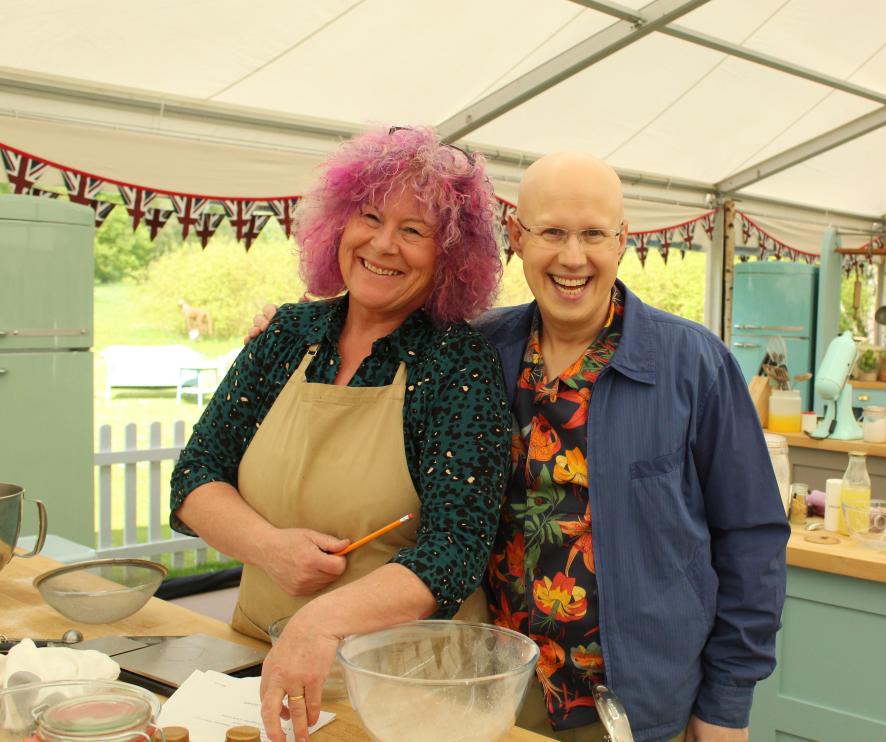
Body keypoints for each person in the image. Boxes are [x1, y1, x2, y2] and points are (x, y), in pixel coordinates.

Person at [247, 152, 790, 742]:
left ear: (623, 240)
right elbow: (368, 317)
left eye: (593, 235)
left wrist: (726, 707)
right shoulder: (474, 353)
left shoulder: (693, 364)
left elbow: (752, 541)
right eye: (552, 232)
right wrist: (292, 323)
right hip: (487, 693)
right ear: (517, 236)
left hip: (638, 707)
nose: (572, 257)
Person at [171, 126, 511, 742]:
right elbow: (196, 476)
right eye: (371, 217)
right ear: (338, 225)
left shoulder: (456, 362)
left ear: (450, 256)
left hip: (402, 691)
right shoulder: (286, 335)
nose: (383, 244)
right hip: (254, 661)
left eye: (414, 230)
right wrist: (270, 549)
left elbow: (454, 550)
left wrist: (321, 622)